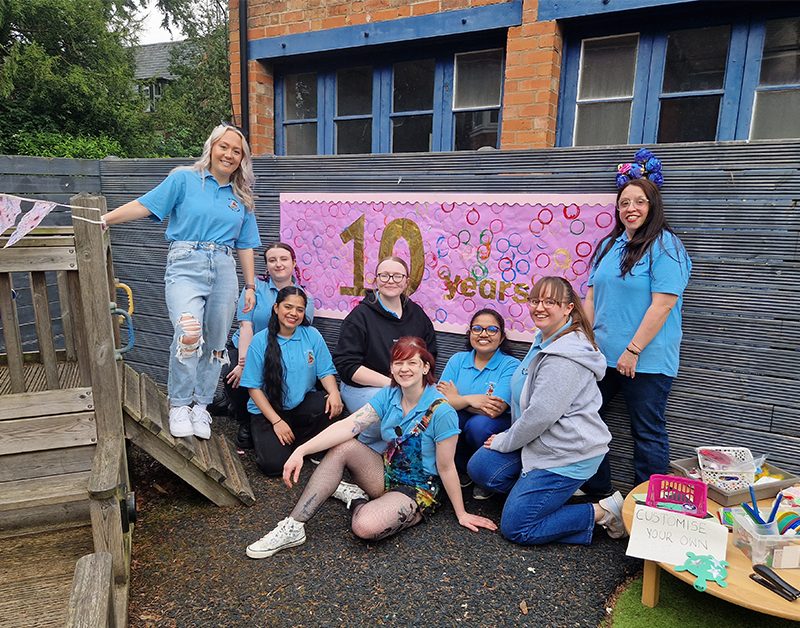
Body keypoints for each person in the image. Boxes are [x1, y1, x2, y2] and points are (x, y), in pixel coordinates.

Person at [245, 337, 497, 558]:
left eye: (412, 362)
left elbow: (446, 467)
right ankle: (293, 526)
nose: (404, 368)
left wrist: (461, 513)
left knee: (364, 527)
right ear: (391, 368)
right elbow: (349, 426)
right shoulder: (390, 394)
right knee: (343, 445)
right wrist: (302, 450)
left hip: (418, 489)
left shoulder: (442, 411)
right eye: (398, 363)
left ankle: (356, 499)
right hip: (386, 472)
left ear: (426, 367)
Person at [102, 123, 260, 440]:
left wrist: (251, 285)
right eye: (224, 146)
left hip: (225, 269)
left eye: (236, 150)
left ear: (242, 159)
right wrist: (105, 219)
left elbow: (245, 244)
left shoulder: (241, 198)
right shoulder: (184, 179)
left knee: (215, 345)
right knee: (189, 333)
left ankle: (200, 407)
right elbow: (145, 204)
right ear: (211, 148)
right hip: (185, 263)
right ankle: (179, 404)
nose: (229, 154)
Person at [467, 277, 627, 545]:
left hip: (566, 452)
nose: (539, 308)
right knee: (481, 466)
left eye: (550, 302)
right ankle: (536, 496)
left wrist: (507, 439)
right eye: (535, 301)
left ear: (568, 308)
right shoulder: (544, 338)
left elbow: (540, 416)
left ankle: (605, 511)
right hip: (540, 443)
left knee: (517, 527)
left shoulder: (564, 356)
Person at [582, 178, 692, 495]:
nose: (631, 208)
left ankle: (645, 509)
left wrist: (633, 349)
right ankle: (599, 495)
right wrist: (585, 343)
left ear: (652, 205)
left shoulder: (666, 246)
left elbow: (664, 304)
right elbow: (590, 298)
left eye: (639, 201)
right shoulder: (608, 246)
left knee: (647, 433)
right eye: (625, 203)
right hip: (602, 357)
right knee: (586, 420)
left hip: (646, 360)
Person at [333, 256, 437, 452]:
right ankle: (362, 451)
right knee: (390, 406)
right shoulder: (360, 317)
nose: (391, 281)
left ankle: (406, 456)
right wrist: (392, 384)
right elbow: (347, 365)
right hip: (364, 386)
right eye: (385, 275)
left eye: (398, 276)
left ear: (407, 281)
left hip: (406, 383)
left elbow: (430, 356)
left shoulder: (418, 316)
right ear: (376, 280)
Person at [240, 287, 342, 476]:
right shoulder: (259, 341)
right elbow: (253, 388)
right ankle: (283, 439)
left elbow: (326, 371)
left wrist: (335, 393)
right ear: (276, 307)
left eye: (300, 309)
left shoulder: (311, 335)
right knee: (273, 466)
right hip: (269, 412)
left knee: (333, 408)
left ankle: (299, 441)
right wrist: (277, 421)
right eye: (288, 307)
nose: (293, 313)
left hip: (300, 404)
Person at [221, 242, 314, 449]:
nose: (278, 264)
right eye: (272, 260)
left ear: (294, 262)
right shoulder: (252, 289)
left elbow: (303, 333)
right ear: (267, 265)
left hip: (280, 351)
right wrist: (243, 363)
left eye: (283, 259)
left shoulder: (304, 297)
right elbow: (246, 326)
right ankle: (244, 419)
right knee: (234, 374)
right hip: (247, 345)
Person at [436, 308, 520, 499]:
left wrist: (456, 399)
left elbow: (493, 410)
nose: (484, 334)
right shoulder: (457, 360)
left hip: (494, 424)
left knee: (477, 425)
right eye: (477, 329)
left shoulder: (511, 365)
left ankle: (483, 473)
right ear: (470, 333)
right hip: (463, 417)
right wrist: (470, 400)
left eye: (491, 329)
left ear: (502, 336)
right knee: (445, 418)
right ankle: (464, 470)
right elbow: (439, 401)